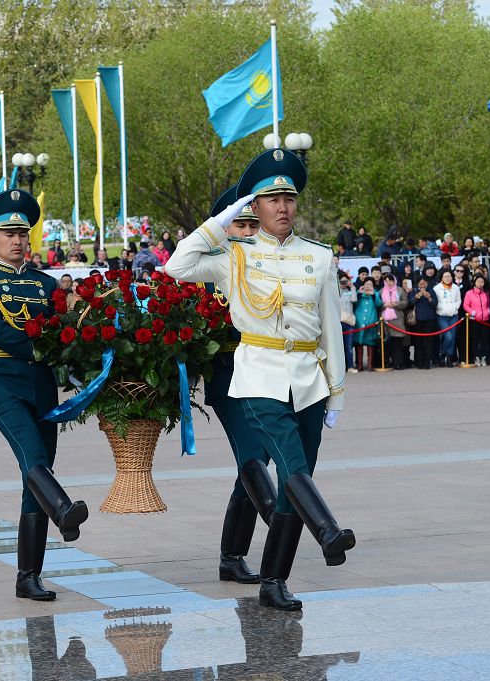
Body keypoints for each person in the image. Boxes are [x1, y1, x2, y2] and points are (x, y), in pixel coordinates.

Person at [166, 148, 353, 611]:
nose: (283, 207)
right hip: (259, 376)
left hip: (308, 378)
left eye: (289, 198)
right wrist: (222, 218)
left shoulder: (319, 257)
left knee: (297, 477)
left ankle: (274, 581)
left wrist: (337, 393)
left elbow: (331, 328)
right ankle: (328, 530)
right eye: (271, 200)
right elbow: (177, 266)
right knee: (290, 464)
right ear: (255, 206)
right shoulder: (234, 257)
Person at [0, 189, 88, 602]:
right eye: (8, 233)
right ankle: (63, 510)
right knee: (33, 457)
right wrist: (46, 342)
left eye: (22, 233)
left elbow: (63, 332)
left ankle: (27, 575)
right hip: (1, 380)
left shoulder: (46, 283)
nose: (17, 240)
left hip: (41, 385)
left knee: (35, 474)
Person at [202, 186, 276, 586]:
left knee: (255, 462)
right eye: (240, 223)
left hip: (266, 375)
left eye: (253, 223)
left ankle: (232, 556)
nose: (248, 230)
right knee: (251, 455)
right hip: (229, 377)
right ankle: (280, 525)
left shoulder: (267, 265)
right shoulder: (212, 268)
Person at [380, 274, 409, 370]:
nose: (389, 283)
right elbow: (378, 304)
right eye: (387, 281)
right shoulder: (381, 291)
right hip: (384, 320)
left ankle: (399, 363)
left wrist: (396, 304)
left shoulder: (400, 290)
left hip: (398, 319)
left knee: (398, 343)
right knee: (387, 343)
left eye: (391, 280)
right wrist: (385, 305)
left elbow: (406, 303)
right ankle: (387, 362)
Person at [433, 270, 462, 367]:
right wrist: (442, 307)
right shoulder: (437, 288)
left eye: (449, 276)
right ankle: (443, 353)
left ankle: (449, 356)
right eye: (445, 276)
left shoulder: (456, 288)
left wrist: (455, 307)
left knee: (452, 337)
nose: (448, 278)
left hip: (453, 316)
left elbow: (458, 300)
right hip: (442, 316)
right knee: (448, 336)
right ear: (441, 278)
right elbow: (435, 301)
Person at [409, 278, 438, 370]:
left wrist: (429, 297)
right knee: (418, 342)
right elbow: (411, 303)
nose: (422, 286)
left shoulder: (431, 291)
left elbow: (435, 303)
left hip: (429, 320)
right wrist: (417, 296)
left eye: (424, 284)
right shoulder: (414, 291)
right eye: (420, 284)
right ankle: (419, 362)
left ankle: (427, 362)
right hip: (417, 320)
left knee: (428, 342)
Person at [463, 274, 490, 366]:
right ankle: (476, 357)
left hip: (485, 320)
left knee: (485, 339)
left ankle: (483, 357)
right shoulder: (469, 293)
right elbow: (465, 305)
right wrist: (472, 312)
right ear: (474, 282)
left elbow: (488, 304)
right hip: (474, 320)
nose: (480, 284)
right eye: (478, 281)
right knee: (475, 339)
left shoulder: (486, 293)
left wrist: (488, 311)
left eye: (482, 282)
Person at [353, 280, 380, 371]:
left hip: (371, 321)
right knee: (359, 343)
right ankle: (359, 364)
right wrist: (359, 293)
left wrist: (373, 295)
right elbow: (354, 303)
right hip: (359, 322)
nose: (368, 286)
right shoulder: (359, 293)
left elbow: (379, 304)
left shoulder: (376, 293)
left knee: (370, 343)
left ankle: (370, 364)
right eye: (366, 284)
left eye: (370, 284)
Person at [338, 274, 358, 373]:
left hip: (349, 321)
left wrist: (353, 287)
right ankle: (341, 367)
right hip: (339, 321)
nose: (344, 284)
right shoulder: (336, 292)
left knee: (349, 346)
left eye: (345, 281)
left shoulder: (349, 291)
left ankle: (350, 366)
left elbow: (354, 299)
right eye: (342, 282)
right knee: (339, 346)